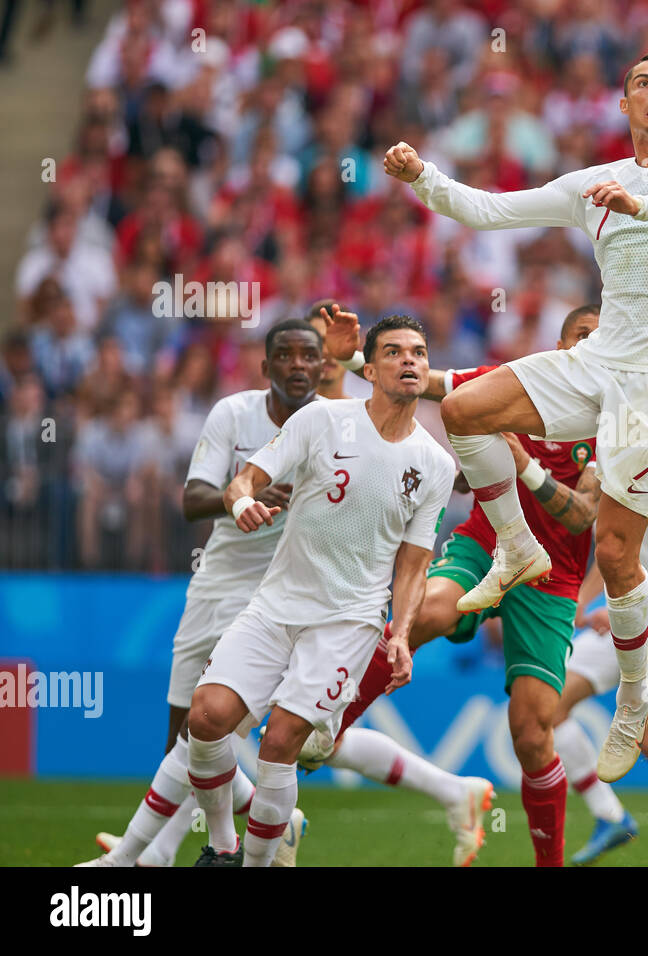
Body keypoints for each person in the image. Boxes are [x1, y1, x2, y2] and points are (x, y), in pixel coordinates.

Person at [381, 51, 648, 782]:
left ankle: (634, 698)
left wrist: (644, 207)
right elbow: (488, 210)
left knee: (615, 555)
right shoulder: (593, 184)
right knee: (464, 409)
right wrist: (422, 177)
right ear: (624, 105)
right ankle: (515, 545)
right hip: (600, 361)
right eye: (642, 84)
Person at [316, 304, 605, 867]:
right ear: (559, 341)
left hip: (553, 577)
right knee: (422, 614)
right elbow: (425, 381)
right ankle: (330, 725)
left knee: (531, 730)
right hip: (486, 543)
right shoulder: (517, 386)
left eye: (597, 339)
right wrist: (348, 354)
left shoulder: (613, 420)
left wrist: (525, 466)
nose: (585, 347)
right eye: (578, 335)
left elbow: (581, 515)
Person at [184, 315, 454, 866]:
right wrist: (240, 504)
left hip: (347, 623)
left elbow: (414, 564)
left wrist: (399, 635)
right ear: (370, 368)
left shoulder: (435, 464)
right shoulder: (322, 420)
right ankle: (221, 846)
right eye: (396, 352)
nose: (410, 361)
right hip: (276, 604)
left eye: (420, 353)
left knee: (279, 741)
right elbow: (245, 480)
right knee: (206, 719)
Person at [77, 319, 325, 868]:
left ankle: (167, 853)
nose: (298, 365)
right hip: (214, 579)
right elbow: (191, 500)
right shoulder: (233, 414)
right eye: (285, 355)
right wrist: (243, 497)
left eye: (310, 355)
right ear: (266, 367)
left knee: (208, 726)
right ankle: (264, 812)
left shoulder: (333, 427)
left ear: (323, 366)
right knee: (182, 731)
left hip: (274, 593)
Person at [552, 471, 648, 864]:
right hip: (618, 623)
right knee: (547, 706)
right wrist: (582, 602)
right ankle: (610, 816)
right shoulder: (611, 477)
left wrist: (628, 609)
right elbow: (612, 552)